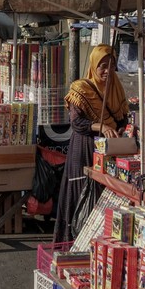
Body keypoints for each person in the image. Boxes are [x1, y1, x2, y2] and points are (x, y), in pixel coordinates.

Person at [53, 44, 129, 243]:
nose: (107, 70)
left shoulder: (117, 89)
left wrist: (121, 129)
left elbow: (123, 118)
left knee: (102, 195)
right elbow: (77, 122)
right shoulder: (81, 88)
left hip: (108, 150)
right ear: (94, 66)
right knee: (81, 192)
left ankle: (96, 242)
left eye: (111, 65)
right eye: (102, 66)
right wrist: (101, 126)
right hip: (85, 148)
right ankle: (73, 240)